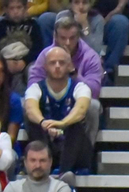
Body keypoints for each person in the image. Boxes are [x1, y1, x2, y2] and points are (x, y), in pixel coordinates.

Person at [28, 13, 98, 146]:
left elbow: (94, 91)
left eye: (72, 38)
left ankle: (87, 154)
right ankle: (41, 153)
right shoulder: (46, 55)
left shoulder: (90, 57)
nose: (67, 43)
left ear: (78, 37)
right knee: (28, 106)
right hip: (49, 102)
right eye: (63, 38)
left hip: (76, 102)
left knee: (93, 106)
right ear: (55, 37)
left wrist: (73, 72)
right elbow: (33, 85)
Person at [22, 40, 87, 175]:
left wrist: (63, 123)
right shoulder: (36, 88)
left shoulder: (80, 87)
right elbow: (30, 108)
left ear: (69, 66)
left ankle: (64, 173)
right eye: (52, 63)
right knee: (32, 122)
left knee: (77, 124)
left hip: (71, 148)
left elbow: (81, 109)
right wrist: (43, 122)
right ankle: (41, 167)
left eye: (62, 63)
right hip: (46, 143)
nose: (57, 66)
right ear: (45, 66)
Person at [52, 0, 126, 80]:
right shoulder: (62, 16)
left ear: (90, 4)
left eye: (84, 3)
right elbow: (56, 44)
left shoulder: (97, 19)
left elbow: (96, 50)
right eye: (76, 3)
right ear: (71, 4)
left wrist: (85, 25)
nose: (81, 7)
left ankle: (109, 71)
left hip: (87, 59)